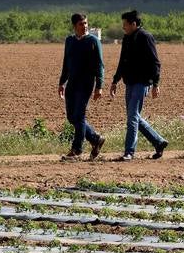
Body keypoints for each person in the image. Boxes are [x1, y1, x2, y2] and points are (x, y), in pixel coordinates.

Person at [110, 10, 168, 161]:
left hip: (142, 83)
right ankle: (158, 142)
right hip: (129, 82)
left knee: (132, 117)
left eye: (125, 25)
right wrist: (115, 81)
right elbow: (122, 61)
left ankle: (129, 152)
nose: (123, 27)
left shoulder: (146, 37)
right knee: (133, 116)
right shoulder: (127, 38)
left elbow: (156, 63)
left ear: (133, 24)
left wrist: (156, 84)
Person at [58, 13, 105, 160]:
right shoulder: (70, 41)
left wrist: (99, 86)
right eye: (81, 24)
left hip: (86, 84)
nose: (84, 26)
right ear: (74, 26)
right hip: (72, 83)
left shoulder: (93, 41)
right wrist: (61, 82)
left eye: (85, 23)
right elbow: (66, 63)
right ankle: (95, 139)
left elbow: (99, 64)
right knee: (72, 117)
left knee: (80, 116)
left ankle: (76, 150)